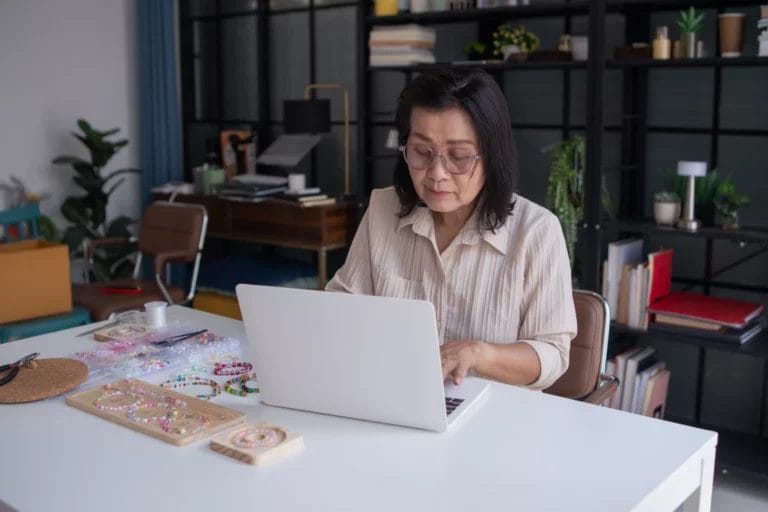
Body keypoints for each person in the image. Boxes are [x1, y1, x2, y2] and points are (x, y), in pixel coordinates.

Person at [326, 68, 576, 391]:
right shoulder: (382, 211)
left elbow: (552, 354)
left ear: (492, 156)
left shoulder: (537, 233)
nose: (436, 174)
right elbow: (340, 307)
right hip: (393, 398)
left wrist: (479, 354)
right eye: (421, 152)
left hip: (494, 419)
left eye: (458, 156)